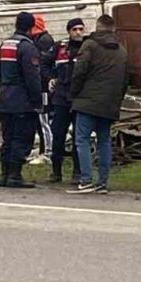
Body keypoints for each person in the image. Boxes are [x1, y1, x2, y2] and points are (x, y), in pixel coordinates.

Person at [69, 14, 129, 194]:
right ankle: (102, 182)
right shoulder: (122, 51)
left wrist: (74, 94)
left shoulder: (89, 45)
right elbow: (125, 80)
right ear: (113, 29)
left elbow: (79, 72)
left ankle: (86, 179)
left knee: (82, 139)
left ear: (97, 27)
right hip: (109, 103)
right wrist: (117, 100)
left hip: (87, 101)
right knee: (104, 141)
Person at [0, 11, 43, 189]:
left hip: (5, 98)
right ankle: (15, 175)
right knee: (21, 138)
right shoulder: (27, 47)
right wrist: (37, 101)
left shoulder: (5, 45)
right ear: (32, 27)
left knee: (8, 138)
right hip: (22, 101)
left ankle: (4, 174)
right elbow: (32, 78)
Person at [47, 18, 86, 183]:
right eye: (75, 29)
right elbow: (44, 63)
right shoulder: (59, 47)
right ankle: (56, 172)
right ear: (69, 31)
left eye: (81, 29)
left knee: (79, 138)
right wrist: (50, 78)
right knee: (58, 136)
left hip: (79, 99)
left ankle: (77, 173)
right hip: (61, 98)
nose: (78, 32)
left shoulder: (87, 47)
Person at [31, 14, 56, 163]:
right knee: (40, 120)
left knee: (43, 119)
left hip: (43, 87)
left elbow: (43, 65)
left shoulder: (44, 41)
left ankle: (48, 151)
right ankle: (43, 147)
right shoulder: (40, 39)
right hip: (40, 86)